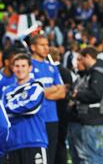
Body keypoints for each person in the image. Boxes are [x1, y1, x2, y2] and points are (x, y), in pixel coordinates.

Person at [2, 53, 47, 164]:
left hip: (34, 141)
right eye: (17, 66)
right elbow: (2, 114)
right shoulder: (6, 90)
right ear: (12, 68)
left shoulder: (36, 86)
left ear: (30, 68)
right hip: (12, 144)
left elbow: (30, 107)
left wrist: (9, 107)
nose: (20, 69)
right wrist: (16, 107)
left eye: (23, 66)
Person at [70, 46, 103, 164]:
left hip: (94, 118)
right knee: (89, 154)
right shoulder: (94, 72)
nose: (79, 62)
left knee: (91, 155)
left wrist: (77, 94)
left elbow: (96, 94)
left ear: (88, 57)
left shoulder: (97, 73)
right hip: (93, 118)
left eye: (80, 59)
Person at [30, 34, 66, 164]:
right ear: (33, 47)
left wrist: (42, 93)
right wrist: (52, 90)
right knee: (37, 157)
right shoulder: (27, 66)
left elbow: (62, 93)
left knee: (50, 156)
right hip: (35, 119)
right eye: (42, 45)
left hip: (52, 119)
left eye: (47, 45)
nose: (47, 48)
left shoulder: (52, 67)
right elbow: (29, 94)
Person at [49, 47, 73, 164]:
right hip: (64, 110)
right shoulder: (66, 71)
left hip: (54, 110)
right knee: (61, 142)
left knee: (53, 143)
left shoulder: (52, 71)